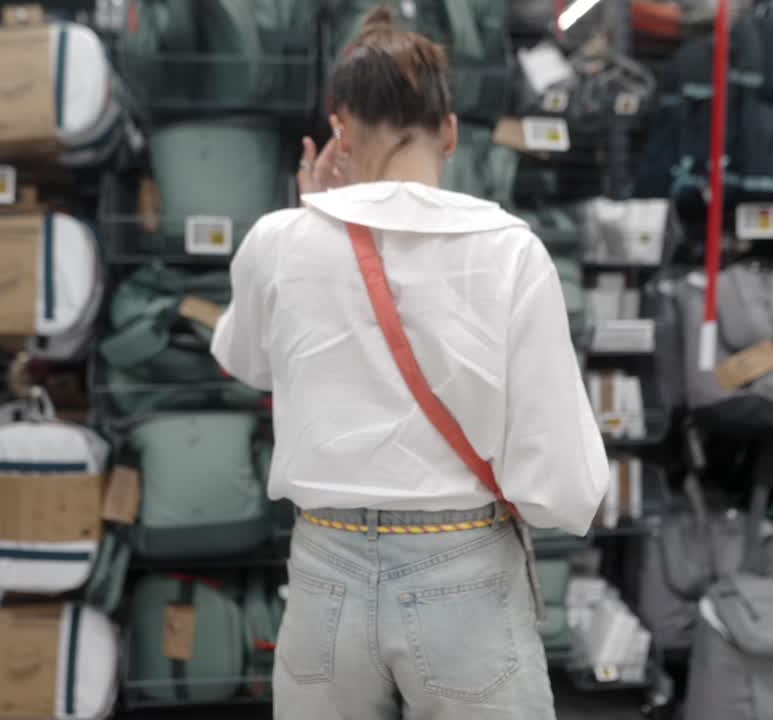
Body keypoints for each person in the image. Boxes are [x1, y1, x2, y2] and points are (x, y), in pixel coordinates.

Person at [211, 6, 609, 718]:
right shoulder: (509, 249)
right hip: (461, 563)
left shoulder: (279, 239)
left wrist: (315, 215)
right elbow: (564, 481)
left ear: (340, 128)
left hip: (325, 564)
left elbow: (247, 362)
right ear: (450, 132)